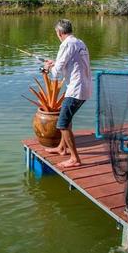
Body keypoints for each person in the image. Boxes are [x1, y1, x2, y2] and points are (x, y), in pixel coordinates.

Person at [43, 19, 92, 168]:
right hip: (84, 87)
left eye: (56, 33)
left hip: (76, 89)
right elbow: (69, 63)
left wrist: (47, 67)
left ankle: (75, 159)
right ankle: (61, 148)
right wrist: (55, 63)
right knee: (67, 118)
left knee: (63, 123)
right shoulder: (79, 42)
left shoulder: (66, 44)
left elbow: (56, 73)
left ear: (60, 32)